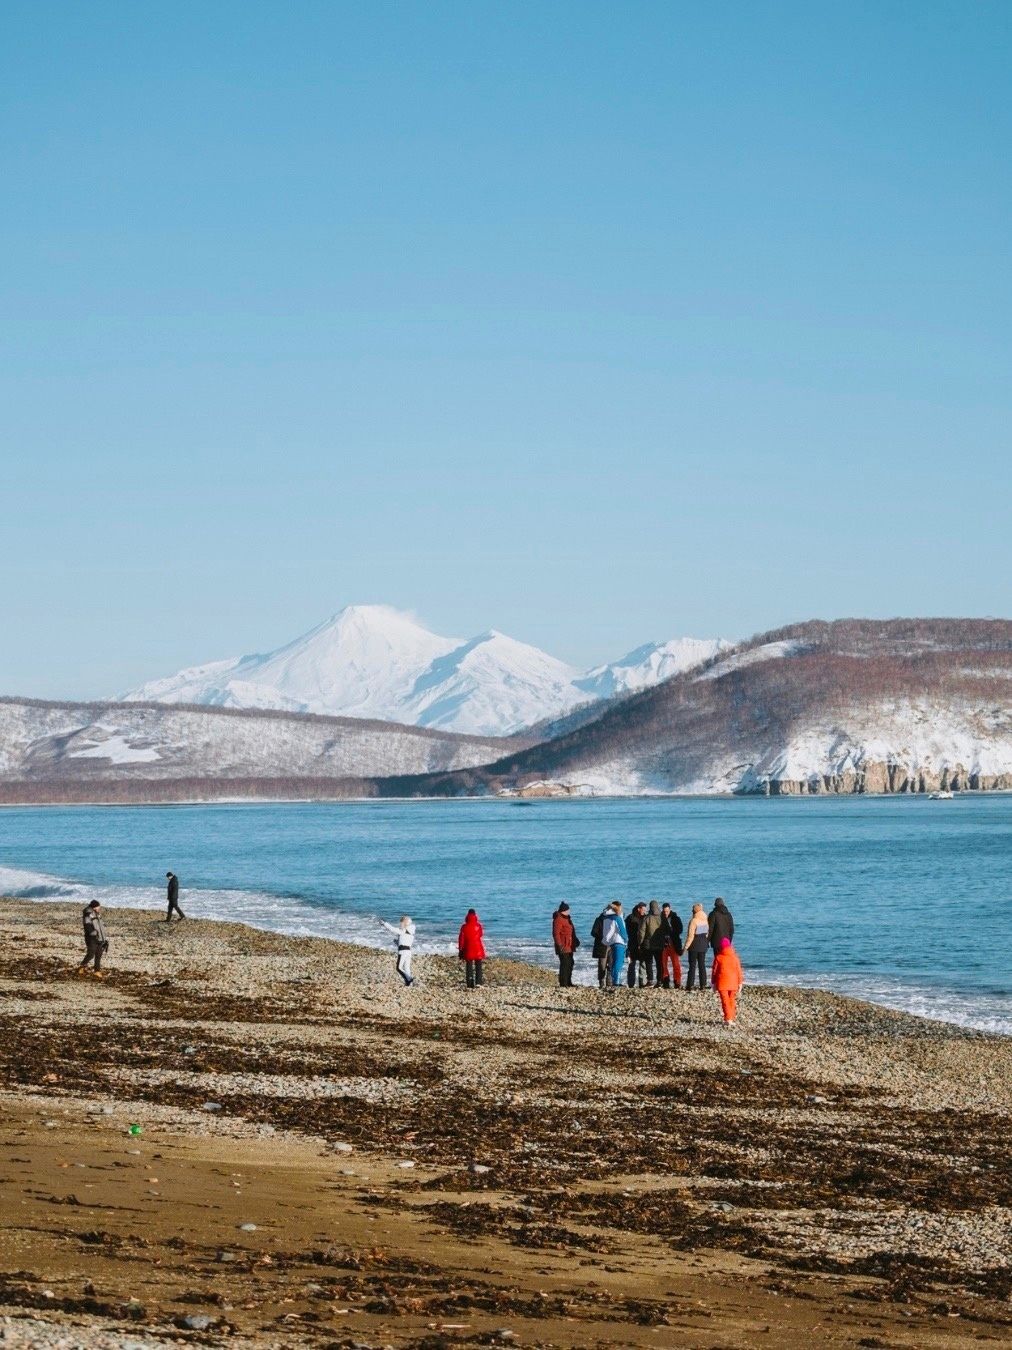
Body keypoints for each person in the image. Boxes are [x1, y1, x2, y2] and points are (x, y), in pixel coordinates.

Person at [711, 936, 745, 1025]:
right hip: (733, 982)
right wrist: (740, 982)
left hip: (722, 983)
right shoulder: (735, 957)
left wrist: (713, 983)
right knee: (731, 1000)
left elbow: (714, 971)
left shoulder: (718, 957)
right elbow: (739, 971)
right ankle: (731, 1017)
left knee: (725, 1001)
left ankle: (728, 1018)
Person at [601, 901, 628, 990]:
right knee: (618, 963)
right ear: (617, 908)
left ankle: (614, 981)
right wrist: (626, 939)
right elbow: (622, 931)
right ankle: (616, 982)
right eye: (620, 907)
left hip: (612, 942)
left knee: (615, 962)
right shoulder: (617, 918)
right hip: (619, 941)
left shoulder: (607, 917)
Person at [382, 915, 415, 986]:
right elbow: (406, 942)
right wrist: (397, 942)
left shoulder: (403, 931)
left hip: (402, 952)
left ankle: (409, 979)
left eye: (401, 923)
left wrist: (385, 923)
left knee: (399, 968)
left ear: (405, 923)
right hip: (408, 952)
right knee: (407, 968)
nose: (400, 924)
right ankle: (410, 984)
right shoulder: (411, 933)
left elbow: (392, 929)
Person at [552, 902, 579, 988]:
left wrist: (576, 940)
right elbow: (556, 934)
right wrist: (559, 945)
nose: (569, 911)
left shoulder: (567, 919)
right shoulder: (558, 919)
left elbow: (571, 931)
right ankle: (563, 983)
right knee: (565, 964)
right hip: (563, 946)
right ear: (564, 910)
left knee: (570, 963)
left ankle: (568, 982)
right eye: (568, 909)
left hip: (570, 945)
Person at [78, 900, 108, 978]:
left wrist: (104, 938)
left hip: (99, 938)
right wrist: (94, 933)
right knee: (91, 954)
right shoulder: (88, 914)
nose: (99, 908)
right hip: (91, 938)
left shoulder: (97, 914)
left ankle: (97, 971)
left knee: (99, 954)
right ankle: (82, 966)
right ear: (95, 907)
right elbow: (87, 926)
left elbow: (100, 927)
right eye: (98, 906)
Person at [458, 908, 486, 988]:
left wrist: (460, 950)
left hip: (468, 948)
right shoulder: (478, 926)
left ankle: (470, 983)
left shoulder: (464, 927)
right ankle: (479, 982)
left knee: (469, 966)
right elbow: (481, 934)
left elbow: (461, 940)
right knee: (478, 966)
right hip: (478, 948)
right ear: (475, 915)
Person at [684, 903, 710, 991]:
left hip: (694, 946)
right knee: (702, 965)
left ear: (695, 911)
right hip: (703, 945)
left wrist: (686, 947)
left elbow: (690, 936)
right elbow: (707, 933)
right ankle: (703, 985)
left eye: (692, 909)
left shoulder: (694, 921)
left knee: (692, 966)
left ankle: (690, 985)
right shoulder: (706, 919)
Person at [658, 902, 683, 989]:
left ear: (670, 910)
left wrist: (672, 932)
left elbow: (680, 930)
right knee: (664, 964)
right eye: (664, 911)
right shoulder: (659, 918)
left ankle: (677, 981)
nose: (666, 913)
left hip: (673, 943)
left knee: (676, 964)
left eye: (667, 911)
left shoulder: (675, 918)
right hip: (663, 944)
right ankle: (666, 981)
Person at [640, 900, 664, 987]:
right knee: (659, 963)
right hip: (660, 944)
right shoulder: (662, 917)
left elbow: (641, 932)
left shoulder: (647, 918)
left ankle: (650, 980)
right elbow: (667, 930)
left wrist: (640, 942)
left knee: (649, 963)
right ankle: (660, 981)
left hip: (648, 944)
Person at [625, 901, 648, 988]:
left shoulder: (630, 917)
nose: (645, 911)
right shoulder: (631, 918)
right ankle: (638, 983)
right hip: (635, 944)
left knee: (639, 964)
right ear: (639, 909)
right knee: (634, 964)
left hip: (635, 943)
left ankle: (637, 983)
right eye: (643, 909)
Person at [590, 904, 612, 988]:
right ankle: (602, 982)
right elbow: (593, 932)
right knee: (602, 965)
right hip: (602, 945)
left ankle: (609, 983)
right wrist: (603, 936)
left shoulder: (614, 919)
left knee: (611, 964)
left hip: (611, 945)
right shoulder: (599, 919)